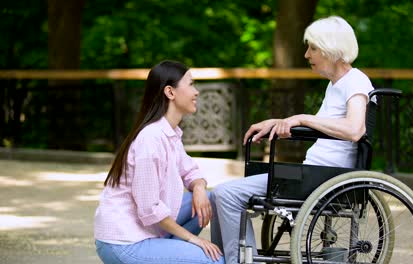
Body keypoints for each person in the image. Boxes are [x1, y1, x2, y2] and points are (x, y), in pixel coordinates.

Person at [212, 16, 375, 263]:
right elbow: (321, 127)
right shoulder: (337, 85)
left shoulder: (356, 81)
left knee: (225, 194)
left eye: (313, 48)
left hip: (324, 178)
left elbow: (354, 129)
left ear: (331, 49)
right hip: (313, 174)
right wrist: (279, 122)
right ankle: (223, 259)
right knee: (218, 195)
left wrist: (301, 118)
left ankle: (238, 261)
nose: (307, 55)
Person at [94, 60, 224, 264]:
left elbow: (191, 172)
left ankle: (171, 253)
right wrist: (193, 239)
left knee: (209, 199)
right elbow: (149, 209)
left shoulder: (169, 133)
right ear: (170, 92)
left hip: (145, 232)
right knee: (214, 261)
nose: (196, 92)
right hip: (124, 243)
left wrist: (198, 187)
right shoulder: (151, 139)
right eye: (190, 84)